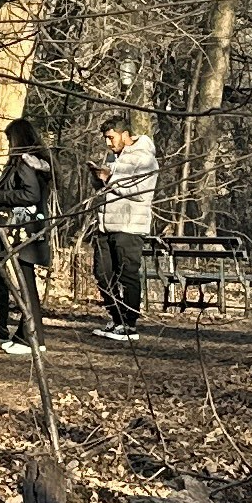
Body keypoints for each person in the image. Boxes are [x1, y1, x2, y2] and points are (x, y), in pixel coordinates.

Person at [0, 116, 57, 354]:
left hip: (24, 233)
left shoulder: (24, 165)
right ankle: (26, 334)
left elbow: (30, 195)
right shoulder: (38, 164)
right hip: (30, 232)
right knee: (25, 285)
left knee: (26, 286)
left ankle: (32, 339)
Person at [90, 115, 157, 339]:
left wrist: (110, 179)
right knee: (102, 274)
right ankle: (116, 318)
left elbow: (141, 192)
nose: (108, 143)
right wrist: (98, 179)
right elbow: (109, 188)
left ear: (126, 135)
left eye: (111, 138)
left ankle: (129, 325)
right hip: (105, 226)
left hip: (129, 227)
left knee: (127, 275)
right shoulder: (113, 157)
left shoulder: (145, 158)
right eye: (106, 139)